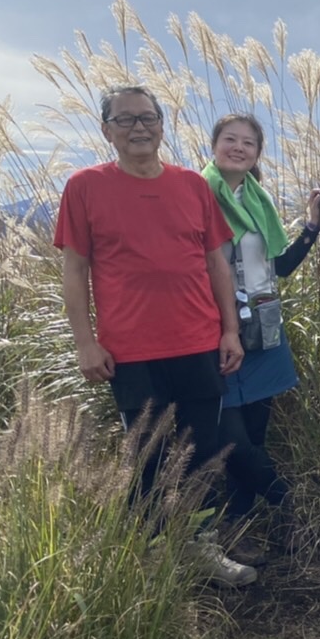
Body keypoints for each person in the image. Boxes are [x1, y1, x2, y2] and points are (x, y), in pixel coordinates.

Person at [54, 84, 253, 586]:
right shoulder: (85, 186)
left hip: (198, 342)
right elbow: (74, 270)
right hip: (131, 350)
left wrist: (230, 330)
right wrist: (85, 341)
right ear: (106, 131)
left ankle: (201, 547)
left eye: (148, 118)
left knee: (202, 452)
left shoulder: (192, 186)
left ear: (163, 126)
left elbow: (216, 263)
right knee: (147, 457)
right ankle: (152, 560)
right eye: (125, 120)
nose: (138, 127)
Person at [202, 113, 320, 563]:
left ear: (257, 154)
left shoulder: (258, 201)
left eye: (248, 142)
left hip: (264, 332)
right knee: (231, 439)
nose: (238, 147)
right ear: (214, 146)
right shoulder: (195, 195)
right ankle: (292, 505)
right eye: (229, 139)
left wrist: (312, 226)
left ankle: (241, 528)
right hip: (215, 334)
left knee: (253, 435)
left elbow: (280, 268)